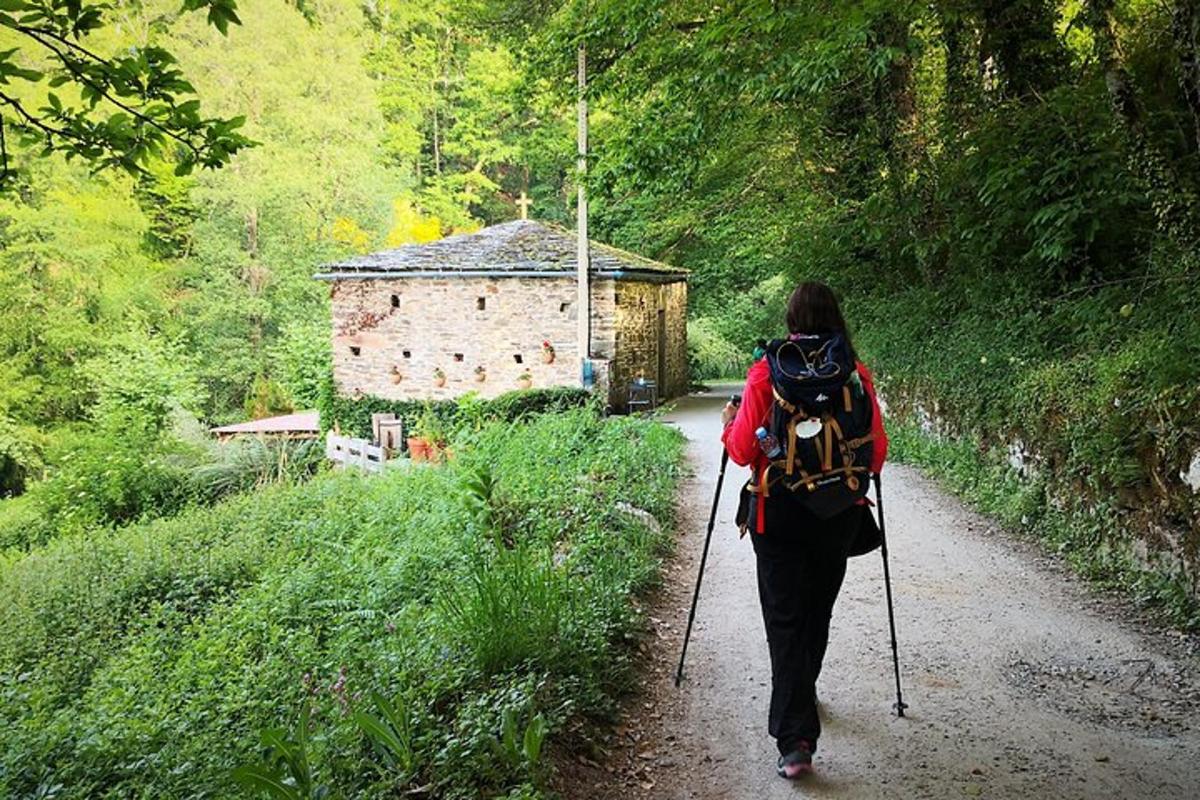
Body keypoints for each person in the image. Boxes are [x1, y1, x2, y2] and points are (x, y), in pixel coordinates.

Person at [719, 281, 888, 779]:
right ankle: (803, 691)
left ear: (791, 321)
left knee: (785, 617)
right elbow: (875, 453)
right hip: (839, 513)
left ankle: (795, 741)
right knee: (817, 609)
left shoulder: (765, 374)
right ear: (836, 318)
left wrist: (730, 424)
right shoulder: (855, 376)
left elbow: (743, 452)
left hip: (779, 513)